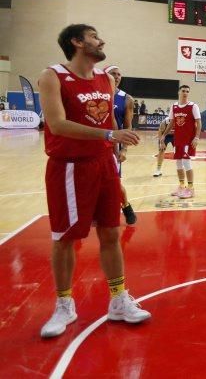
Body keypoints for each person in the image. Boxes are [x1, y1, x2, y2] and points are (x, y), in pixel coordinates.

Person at [37, 24, 150, 339]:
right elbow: (57, 125)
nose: (101, 41)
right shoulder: (52, 76)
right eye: (94, 36)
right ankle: (64, 304)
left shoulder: (105, 79)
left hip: (104, 163)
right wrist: (108, 135)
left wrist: (117, 148)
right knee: (64, 238)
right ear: (77, 42)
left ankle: (118, 299)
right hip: (69, 167)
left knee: (111, 232)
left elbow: (110, 120)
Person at [104, 65, 137, 226]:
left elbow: (127, 126)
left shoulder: (127, 99)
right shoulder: (95, 95)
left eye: (119, 74)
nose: (116, 77)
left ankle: (126, 206)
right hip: (93, 143)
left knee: (114, 182)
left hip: (112, 147)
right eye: (113, 74)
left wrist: (124, 148)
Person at [160, 85, 201, 199]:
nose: (185, 93)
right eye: (183, 91)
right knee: (178, 163)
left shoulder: (193, 106)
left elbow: (199, 122)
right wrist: (164, 135)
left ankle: (191, 188)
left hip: (188, 140)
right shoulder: (174, 106)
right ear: (179, 92)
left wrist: (196, 137)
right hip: (177, 139)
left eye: (187, 91)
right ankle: (182, 186)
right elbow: (172, 123)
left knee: (186, 162)